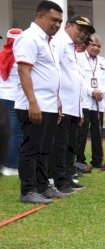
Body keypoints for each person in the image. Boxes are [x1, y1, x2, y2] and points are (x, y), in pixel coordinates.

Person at [13, 0, 64, 204]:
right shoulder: (29, 38)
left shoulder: (47, 41)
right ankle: (28, 190)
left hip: (49, 104)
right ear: (40, 16)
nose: (57, 25)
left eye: (60, 21)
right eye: (54, 20)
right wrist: (33, 103)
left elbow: (49, 74)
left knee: (45, 149)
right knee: (31, 148)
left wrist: (57, 100)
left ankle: (43, 187)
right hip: (34, 105)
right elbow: (24, 71)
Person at [50, 15, 95, 193]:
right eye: (80, 29)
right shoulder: (59, 43)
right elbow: (54, 73)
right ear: (68, 26)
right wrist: (57, 100)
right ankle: (60, 181)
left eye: (86, 32)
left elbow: (77, 82)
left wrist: (81, 110)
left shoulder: (73, 49)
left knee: (70, 146)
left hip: (74, 108)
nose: (83, 34)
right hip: (63, 106)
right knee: (59, 146)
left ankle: (68, 177)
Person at [77, 34, 105, 170]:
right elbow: (78, 78)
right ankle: (79, 160)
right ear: (87, 44)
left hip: (98, 103)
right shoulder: (79, 58)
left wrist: (100, 90)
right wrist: (91, 91)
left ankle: (97, 160)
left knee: (98, 132)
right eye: (93, 45)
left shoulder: (103, 61)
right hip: (84, 102)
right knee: (81, 133)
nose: (96, 48)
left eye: (98, 46)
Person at [0, 28, 23, 176]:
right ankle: (11, 165)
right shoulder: (20, 56)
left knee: (4, 131)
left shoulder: (1, 55)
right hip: (14, 98)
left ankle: (4, 163)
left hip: (2, 97)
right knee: (15, 132)